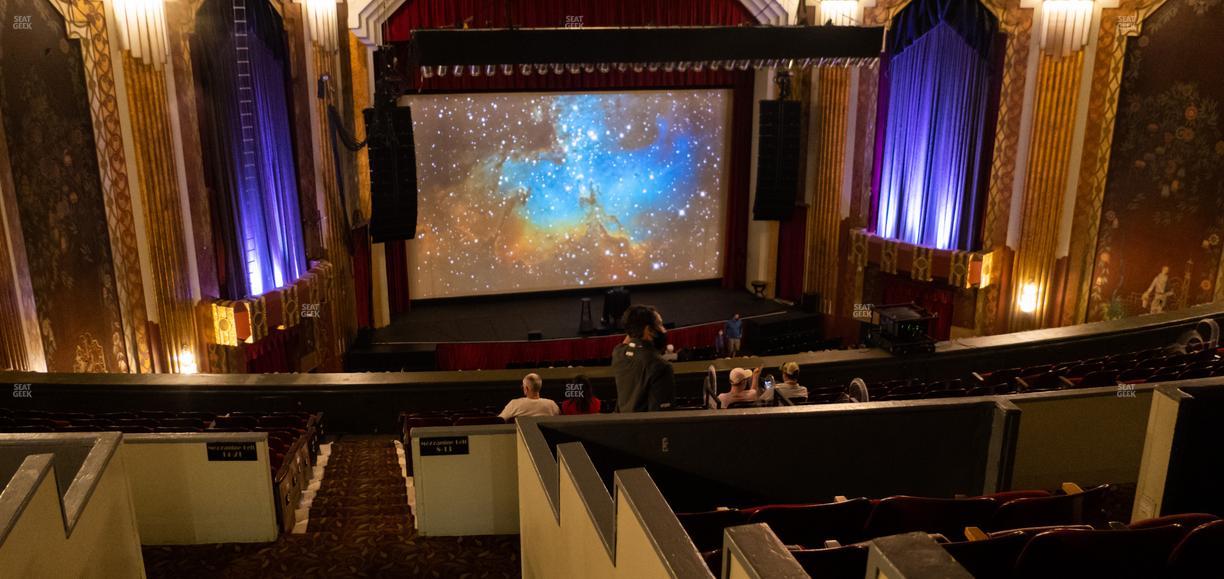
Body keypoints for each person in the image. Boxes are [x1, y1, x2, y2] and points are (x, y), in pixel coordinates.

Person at [612, 305, 676, 412]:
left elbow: (628, 340)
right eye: (660, 324)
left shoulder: (618, 353)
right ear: (648, 330)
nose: (664, 329)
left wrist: (634, 329)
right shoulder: (661, 366)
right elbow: (661, 418)